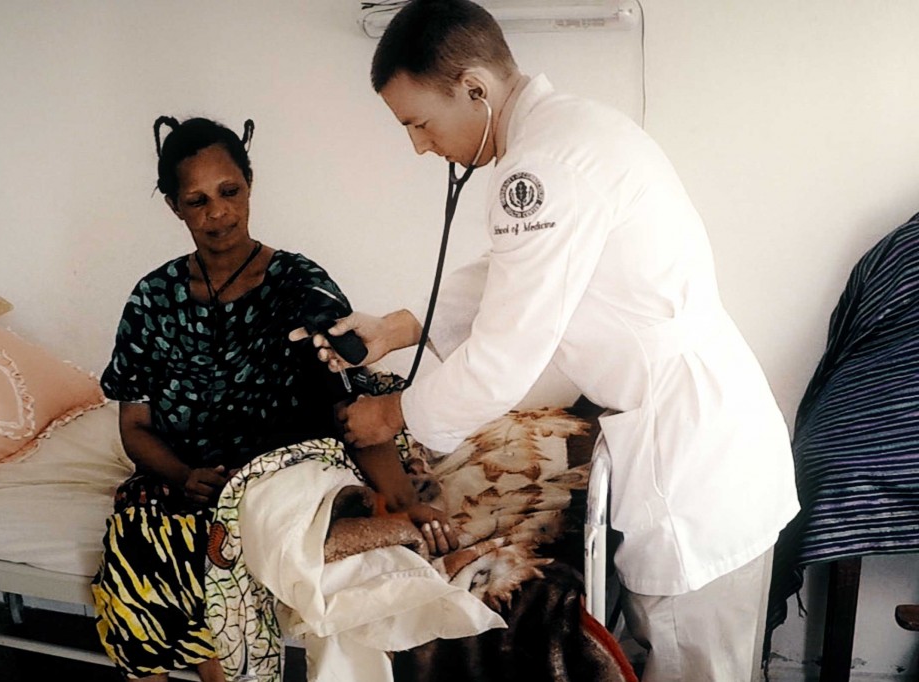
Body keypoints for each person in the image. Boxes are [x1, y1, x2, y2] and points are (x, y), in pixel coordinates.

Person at [295, 1, 800, 680]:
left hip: (692, 462)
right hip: (702, 434)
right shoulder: (572, 134)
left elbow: (503, 357)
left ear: (475, 87)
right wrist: (394, 327)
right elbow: (514, 275)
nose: (419, 145)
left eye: (419, 123)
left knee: (696, 666)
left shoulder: (542, 169)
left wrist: (391, 415)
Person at [90, 115, 454, 682]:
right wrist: (185, 475)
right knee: (143, 530)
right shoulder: (151, 299)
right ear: (174, 208)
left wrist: (403, 500)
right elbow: (135, 427)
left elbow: (350, 410)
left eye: (229, 192)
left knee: (227, 536)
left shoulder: (299, 285)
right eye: (197, 201)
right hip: (187, 474)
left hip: (281, 472)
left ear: (250, 184)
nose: (217, 214)